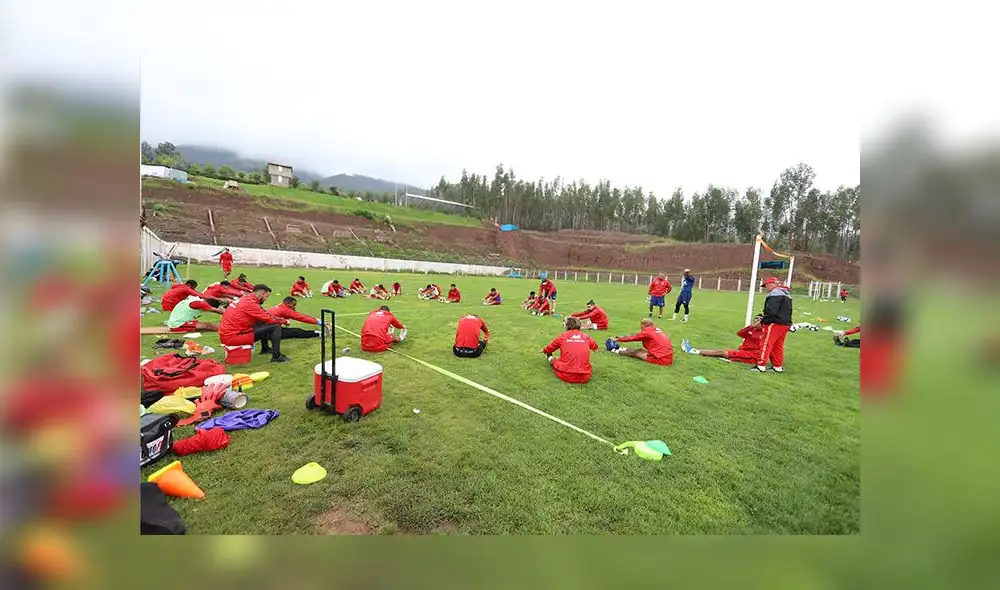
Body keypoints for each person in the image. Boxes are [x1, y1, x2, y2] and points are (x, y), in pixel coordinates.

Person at [218, 284, 290, 363]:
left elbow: (263, 315)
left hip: (228, 335)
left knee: (263, 322)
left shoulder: (246, 299)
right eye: (266, 297)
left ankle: (265, 349)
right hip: (234, 337)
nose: (266, 299)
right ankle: (276, 357)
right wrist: (284, 321)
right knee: (275, 326)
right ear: (261, 294)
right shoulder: (250, 303)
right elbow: (269, 318)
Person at [680, 314, 765, 363]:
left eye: (760, 319)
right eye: (756, 318)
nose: (757, 321)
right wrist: (751, 326)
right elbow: (739, 333)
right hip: (742, 352)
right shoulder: (751, 329)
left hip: (751, 355)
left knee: (722, 352)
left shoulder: (764, 332)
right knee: (720, 353)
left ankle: (691, 350)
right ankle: (695, 351)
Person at [752, 276, 793, 373]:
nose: (766, 288)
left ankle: (760, 365)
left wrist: (764, 322)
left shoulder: (774, 293)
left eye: (766, 285)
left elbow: (771, 311)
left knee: (766, 343)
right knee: (778, 345)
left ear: (772, 284)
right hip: (785, 323)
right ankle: (777, 366)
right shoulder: (786, 294)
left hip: (775, 323)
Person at [541, 317, 598, 383]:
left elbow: (551, 347)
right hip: (585, 376)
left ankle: (550, 357)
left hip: (566, 374)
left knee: (553, 360)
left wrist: (544, 350)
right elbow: (595, 347)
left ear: (567, 326)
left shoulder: (563, 336)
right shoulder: (586, 337)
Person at [605, 318, 673, 366]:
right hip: (668, 356)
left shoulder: (647, 332)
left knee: (635, 353)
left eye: (641, 326)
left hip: (661, 359)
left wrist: (617, 339)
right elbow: (636, 335)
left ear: (644, 325)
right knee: (640, 350)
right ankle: (619, 348)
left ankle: (613, 350)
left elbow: (633, 338)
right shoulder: (656, 329)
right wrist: (621, 337)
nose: (641, 328)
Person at [143, 296, 224, 334]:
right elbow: (216, 311)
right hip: (177, 324)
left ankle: (224, 328)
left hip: (175, 322)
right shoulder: (201, 304)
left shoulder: (195, 299)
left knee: (203, 324)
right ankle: (226, 330)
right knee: (207, 325)